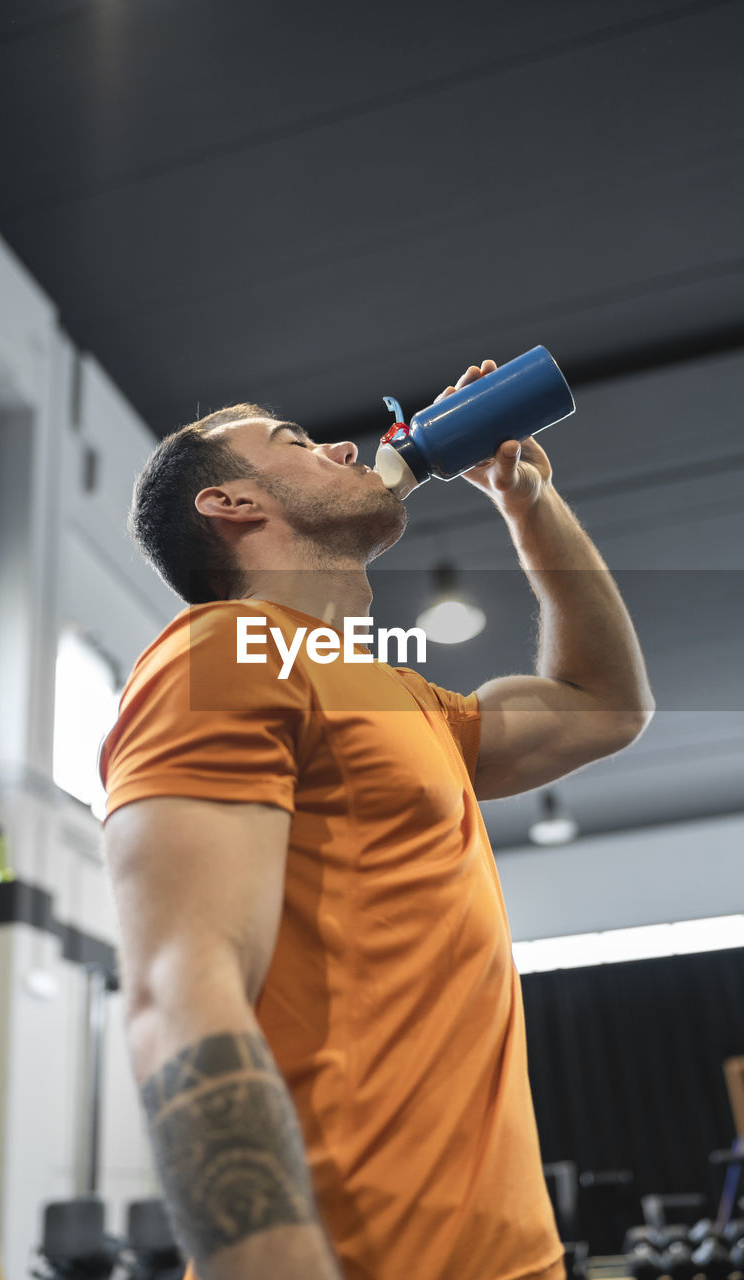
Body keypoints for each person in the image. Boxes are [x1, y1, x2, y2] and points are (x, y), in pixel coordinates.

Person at [99, 360, 655, 1280]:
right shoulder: (224, 653)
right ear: (232, 503)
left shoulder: (402, 701)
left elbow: (602, 705)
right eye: (293, 443)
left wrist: (527, 503)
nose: (344, 446)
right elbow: (178, 987)